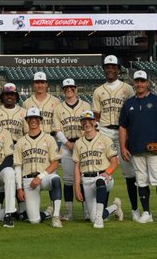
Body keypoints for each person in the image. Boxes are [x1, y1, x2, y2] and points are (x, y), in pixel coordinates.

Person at [119, 71, 157, 224]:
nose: (140, 84)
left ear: (147, 83)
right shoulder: (129, 103)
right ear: (134, 83)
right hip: (136, 149)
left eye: (142, 81)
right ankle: (146, 213)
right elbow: (123, 127)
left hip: (154, 149)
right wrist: (123, 147)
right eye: (137, 81)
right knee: (141, 181)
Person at [92, 55, 140, 220]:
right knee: (105, 172)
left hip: (122, 132)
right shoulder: (98, 90)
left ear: (119, 69)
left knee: (129, 172)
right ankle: (103, 209)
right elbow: (96, 116)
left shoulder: (127, 89)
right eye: (107, 66)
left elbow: (133, 112)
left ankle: (135, 209)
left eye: (113, 66)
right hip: (105, 131)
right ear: (104, 69)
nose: (110, 69)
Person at [72, 112, 123, 229]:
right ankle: (115, 207)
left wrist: (108, 172)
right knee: (92, 218)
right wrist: (77, 188)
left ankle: (100, 218)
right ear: (81, 124)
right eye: (84, 121)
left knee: (100, 181)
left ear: (95, 122)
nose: (87, 123)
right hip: (86, 180)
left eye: (89, 121)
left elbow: (115, 161)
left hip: (104, 177)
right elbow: (77, 167)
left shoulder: (105, 139)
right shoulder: (78, 143)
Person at [13, 107, 63, 226]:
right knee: (34, 221)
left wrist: (40, 176)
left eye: (36, 118)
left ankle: (56, 216)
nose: (33, 120)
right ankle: (47, 213)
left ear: (40, 120)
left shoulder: (49, 139)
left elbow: (55, 162)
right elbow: (18, 167)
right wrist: (19, 188)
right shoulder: (20, 142)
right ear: (27, 120)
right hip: (28, 180)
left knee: (56, 179)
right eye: (31, 118)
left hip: (44, 177)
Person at [53, 78, 93, 220]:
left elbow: (90, 125)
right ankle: (69, 213)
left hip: (84, 144)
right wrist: (68, 143)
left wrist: (82, 143)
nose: (68, 90)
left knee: (85, 179)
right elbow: (57, 130)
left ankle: (87, 212)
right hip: (66, 145)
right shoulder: (58, 108)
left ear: (76, 88)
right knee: (69, 180)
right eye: (66, 88)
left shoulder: (85, 105)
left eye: (71, 87)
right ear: (63, 90)